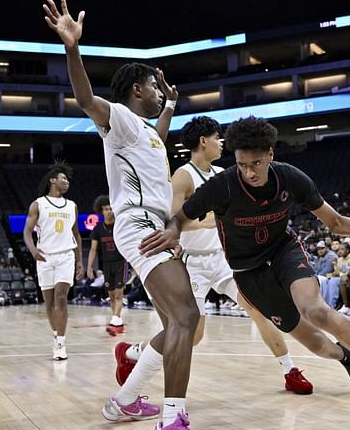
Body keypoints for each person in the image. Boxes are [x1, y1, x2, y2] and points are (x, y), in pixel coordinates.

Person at [141, 116, 350, 425]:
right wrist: (172, 231)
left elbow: (335, 222)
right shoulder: (222, 185)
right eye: (242, 165)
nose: (249, 172)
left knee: (316, 311)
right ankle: (346, 356)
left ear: (270, 154)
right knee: (317, 344)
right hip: (249, 273)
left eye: (255, 163)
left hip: (284, 252)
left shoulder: (290, 178)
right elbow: (180, 217)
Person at [44, 0, 218, 430]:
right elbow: (84, 99)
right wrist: (72, 48)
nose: (159, 90)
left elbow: (156, 141)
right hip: (142, 225)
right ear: (136, 90)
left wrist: (171, 107)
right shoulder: (118, 119)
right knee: (186, 317)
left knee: (173, 325)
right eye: (153, 87)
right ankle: (170, 426)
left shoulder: (144, 131)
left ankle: (122, 401)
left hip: (153, 227)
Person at [121, 115, 314, 394]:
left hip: (224, 260)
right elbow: (172, 221)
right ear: (203, 141)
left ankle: (290, 370)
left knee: (260, 309)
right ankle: (133, 353)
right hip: (193, 262)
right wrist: (211, 221)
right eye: (216, 139)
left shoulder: (222, 175)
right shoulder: (184, 175)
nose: (221, 144)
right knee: (192, 336)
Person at [23, 161, 83, 361]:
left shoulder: (72, 206)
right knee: (48, 302)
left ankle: (61, 342)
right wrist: (33, 251)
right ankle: (56, 334)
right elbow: (26, 233)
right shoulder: (38, 204)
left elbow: (77, 235)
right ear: (52, 180)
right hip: (45, 257)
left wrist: (80, 261)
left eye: (67, 180)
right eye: (63, 179)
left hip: (66, 255)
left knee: (60, 296)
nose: (66, 182)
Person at [87, 195, 128, 336]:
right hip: (106, 265)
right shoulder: (98, 229)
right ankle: (118, 323)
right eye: (106, 209)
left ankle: (114, 321)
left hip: (120, 263)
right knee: (111, 297)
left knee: (118, 296)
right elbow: (93, 249)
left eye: (111, 208)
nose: (109, 211)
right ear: (101, 211)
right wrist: (89, 267)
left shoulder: (120, 226)